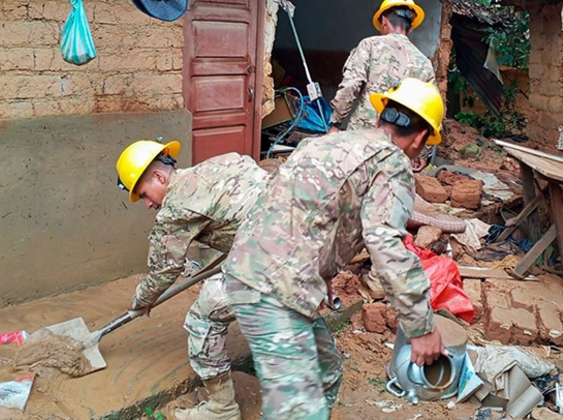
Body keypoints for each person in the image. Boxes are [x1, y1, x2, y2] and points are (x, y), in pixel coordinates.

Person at [222, 78, 448, 420]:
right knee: (299, 413)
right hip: (273, 291)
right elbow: (386, 243)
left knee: (328, 372)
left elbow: (303, 210)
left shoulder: (323, 144)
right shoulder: (392, 162)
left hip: (257, 273)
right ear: (420, 139)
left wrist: (322, 272)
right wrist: (422, 327)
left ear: (378, 118)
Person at [116, 141, 270, 420]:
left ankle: (222, 410)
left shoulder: (175, 210)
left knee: (203, 318)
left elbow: (165, 270)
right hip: (307, 242)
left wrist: (142, 300)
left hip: (272, 262)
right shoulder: (219, 163)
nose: (148, 204)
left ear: (160, 177)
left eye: (144, 194)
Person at [329, 0, 434, 170]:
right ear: (411, 28)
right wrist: (422, 152)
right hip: (399, 147)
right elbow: (430, 110)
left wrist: (335, 124)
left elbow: (350, 86)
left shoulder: (369, 46)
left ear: (384, 20)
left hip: (360, 139)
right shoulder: (424, 63)